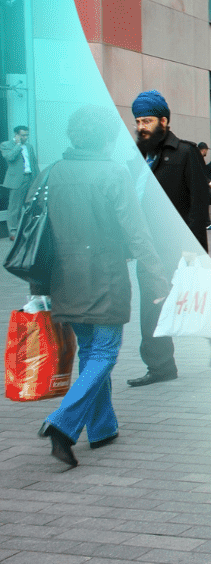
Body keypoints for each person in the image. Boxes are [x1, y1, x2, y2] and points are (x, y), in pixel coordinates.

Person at [36, 106, 170, 467]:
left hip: (64, 277)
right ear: (108, 137)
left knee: (89, 349)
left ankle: (101, 427)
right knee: (105, 352)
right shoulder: (113, 172)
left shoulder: (52, 172)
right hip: (105, 275)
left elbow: (28, 225)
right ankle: (62, 424)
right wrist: (157, 274)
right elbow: (137, 231)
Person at [129, 90, 211, 385]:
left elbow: (198, 204)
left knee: (186, 300)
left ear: (164, 120)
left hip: (177, 246)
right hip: (149, 248)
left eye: (147, 120)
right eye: (138, 121)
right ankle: (160, 367)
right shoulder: (139, 156)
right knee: (150, 309)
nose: (141, 126)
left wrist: (193, 248)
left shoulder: (185, 152)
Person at [1, 125, 37, 239]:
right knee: (14, 207)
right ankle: (13, 231)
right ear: (16, 135)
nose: (25, 137)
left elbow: (34, 164)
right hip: (16, 180)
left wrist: (38, 180)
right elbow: (9, 157)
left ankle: (27, 229)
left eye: (27, 135)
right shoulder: (6, 145)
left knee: (30, 205)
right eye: (23, 135)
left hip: (30, 178)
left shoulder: (29, 146)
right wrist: (18, 145)